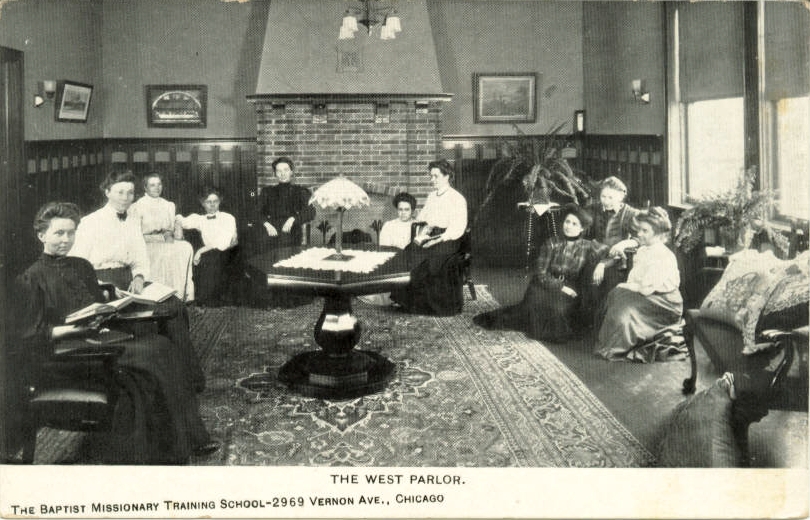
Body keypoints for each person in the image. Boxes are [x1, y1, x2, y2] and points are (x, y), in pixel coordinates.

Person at [14, 202, 218, 463]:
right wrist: (73, 328)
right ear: (42, 235)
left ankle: (187, 439)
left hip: (97, 337)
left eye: (71, 233)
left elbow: (99, 304)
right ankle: (166, 451)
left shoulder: (81, 266)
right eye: (59, 233)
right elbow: (31, 336)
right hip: (67, 353)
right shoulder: (31, 278)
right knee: (149, 358)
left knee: (162, 346)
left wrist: (110, 308)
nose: (66, 239)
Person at [69, 169, 205, 392]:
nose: (125, 197)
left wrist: (140, 276)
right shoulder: (90, 222)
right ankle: (154, 379)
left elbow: (140, 257)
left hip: (130, 280)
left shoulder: (132, 220)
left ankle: (187, 377)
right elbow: (78, 265)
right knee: (141, 320)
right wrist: (103, 287)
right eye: (120, 192)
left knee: (175, 307)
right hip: (102, 283)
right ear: (107, 192)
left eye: (130, 193)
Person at [473, 203, 607, 342]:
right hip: (544, 284)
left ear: (582, 228)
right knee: (534, 307)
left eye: (574, 224)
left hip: (571, 286)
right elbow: (541, 274)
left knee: (558, 310)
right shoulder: (552, 243)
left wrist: (602, 264)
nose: (569, 226)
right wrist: (561, 287)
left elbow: (609, 253)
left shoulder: (588, 246)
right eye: (567, 222)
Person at [595, 207, 683, 361]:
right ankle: (610, 342)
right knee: (616, 295)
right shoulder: (643, 250)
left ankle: (615, 347)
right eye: (639, 230)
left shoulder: (663, 255)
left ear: (658, 234)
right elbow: (636, 281)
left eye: (645, 231)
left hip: (665, 303)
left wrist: (624, 286)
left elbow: (645, 289)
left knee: (624, 308)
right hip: (648, 294)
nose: (639, 234)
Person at [390, 160, 468, 316]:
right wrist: (423, 233)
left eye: (436, 176)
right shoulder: (432, 196)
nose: (432, 180)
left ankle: (432, 306)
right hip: (431, 235)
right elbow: (422, 217)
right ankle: (408, 301)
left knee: (429, 260)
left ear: (447, 176)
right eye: (431, 176)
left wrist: (436, 240)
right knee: (409, 251)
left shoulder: (457, 198)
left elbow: (458, 228)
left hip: (449, 240)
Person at [583, 176, 641, 327]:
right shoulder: (594, 209)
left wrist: (624, 243)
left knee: (610, 282)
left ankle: (606, 326)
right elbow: (584, 232)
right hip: (596, 255)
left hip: (618, 261)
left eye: (611, 197)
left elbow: (639, 239)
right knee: (587, 276)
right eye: (603, 196)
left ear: (621, 196)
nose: (606, 201)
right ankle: (590, 323)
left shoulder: (630, 213)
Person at [131, 173, 194, 301]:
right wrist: (159, 239)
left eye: (159, 184)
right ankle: (156, 295)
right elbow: (136, 235)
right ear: (145, 187)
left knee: (185, 247)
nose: (157, 188)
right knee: (163, 253)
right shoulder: (137, 206)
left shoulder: (168, 205)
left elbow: (169, 230)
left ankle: (179, 294)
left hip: (165, 240)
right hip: (145, 243)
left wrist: (169, 236)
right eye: (152, 185)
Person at [176, 187, 240, 306]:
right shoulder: (201, 219)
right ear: (203, 203)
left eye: (215, 201)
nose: (212, 205)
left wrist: (200, 251)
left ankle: (212, 299)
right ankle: (201, 298)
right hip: (210, 253)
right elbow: (182, 221)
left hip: (228, 252)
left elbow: (223, 242)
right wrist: (177, 223)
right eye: (208, 202)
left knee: (211, 258)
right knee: (206, 258)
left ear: (219, 202)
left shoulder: (228, 218)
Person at [359, 192, 417, 306]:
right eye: (400, 209)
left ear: (412, 210)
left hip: (411, 259)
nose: (403, 213)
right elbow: (384, 248)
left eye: (406, 210)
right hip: (393, 259)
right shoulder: (389, 225)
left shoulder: (417, 225)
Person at [257, 157, 315, 251]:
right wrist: (267, 224)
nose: (282, 174)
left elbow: (310, 212)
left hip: (291, 233)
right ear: (275, 173)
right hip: (270, 232)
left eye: (286, 170)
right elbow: (256, 212)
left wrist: (292, 219)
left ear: (291, 172)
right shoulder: (267, 192)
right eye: (279, 171)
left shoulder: (300, 191)